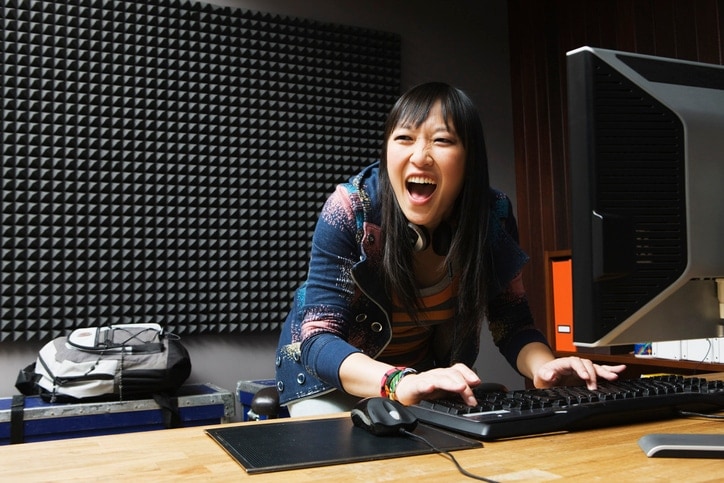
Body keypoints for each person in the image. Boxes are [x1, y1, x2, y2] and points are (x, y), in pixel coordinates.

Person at [275, 82, 625, 416]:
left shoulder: (492, 217)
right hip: (329, 381)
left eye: (441, 140)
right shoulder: (352, 208)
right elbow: (318, 340)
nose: (420, 156)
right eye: (404, 138)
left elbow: (513, 324)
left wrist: (545, 367)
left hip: (421, 378)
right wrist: (397, 380)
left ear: (470, 158)